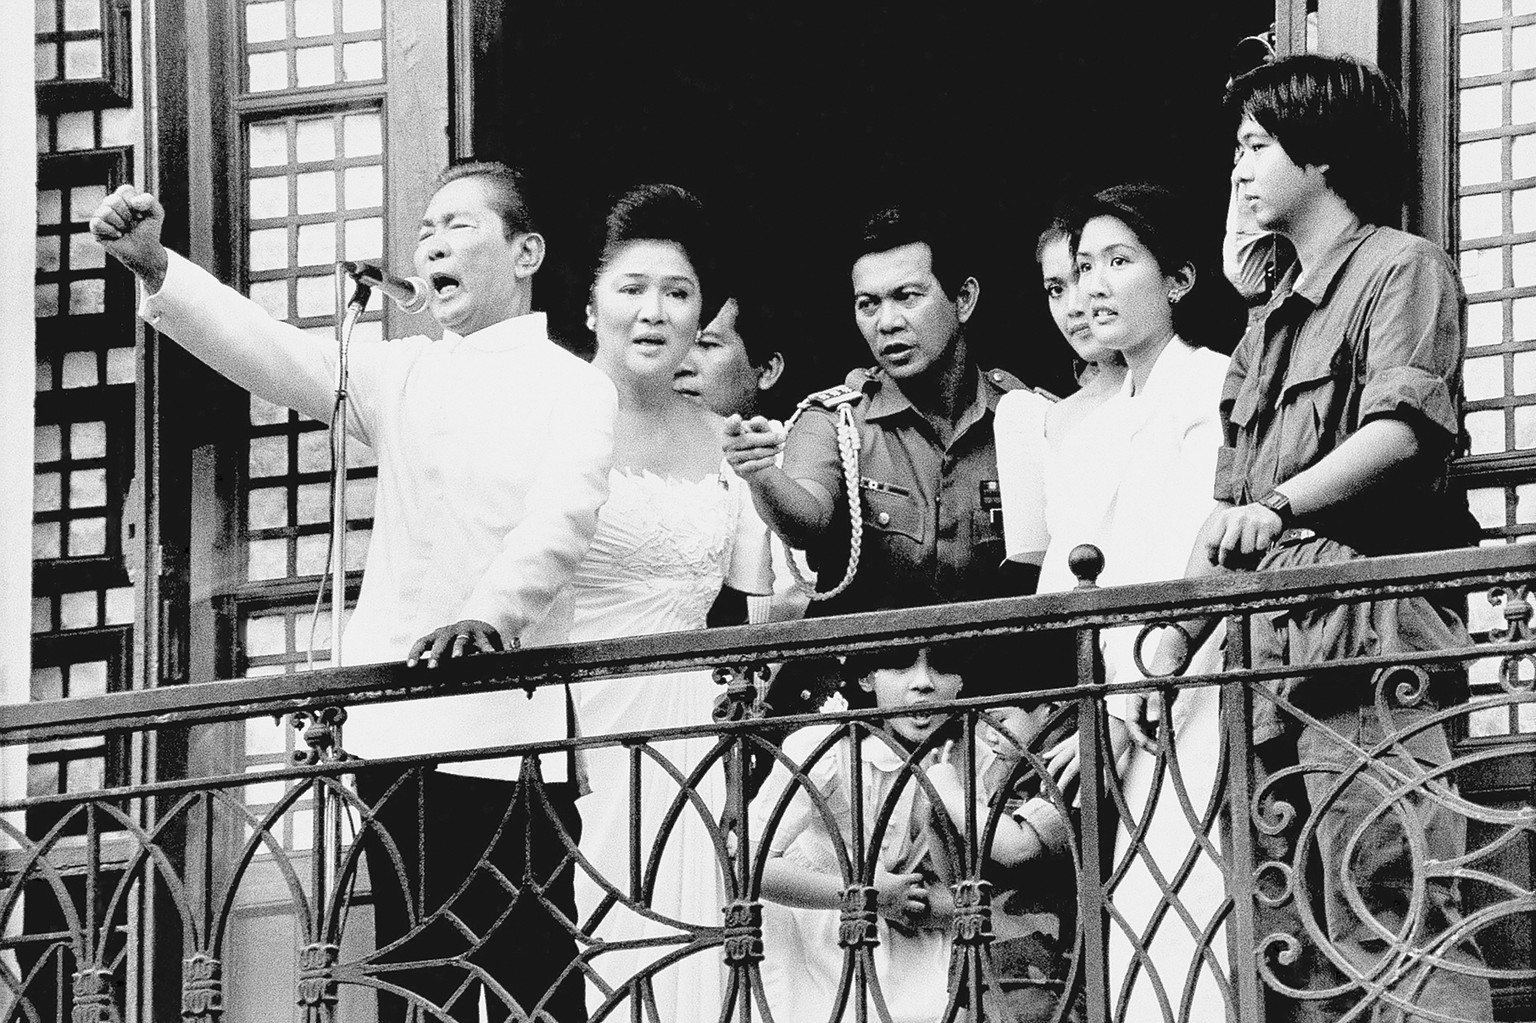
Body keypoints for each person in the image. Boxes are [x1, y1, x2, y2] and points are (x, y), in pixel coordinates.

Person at [88, 162, 615, 1021]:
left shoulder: (576, 385)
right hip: (400, 733)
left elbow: (564, 517)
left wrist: (490, 612)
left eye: (459, 225)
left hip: (515, 734)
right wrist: (158, 267)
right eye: (425, 231)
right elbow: (275, 353)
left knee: (534, 984)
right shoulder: (402, 373)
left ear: (527, 252)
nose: (433, 242)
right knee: (419, 980)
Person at [1178, 54, 1492, 1022]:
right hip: (1270, 667)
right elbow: (1224, 511)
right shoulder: (1267, 321)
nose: (1238, 171)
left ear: (1322, 156)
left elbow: (1402, 433)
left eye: (1257, 147)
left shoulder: (1402, 268)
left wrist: (1279, 507)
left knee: (1396, 907)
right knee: (1300, 949)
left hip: (1373, 647)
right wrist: (1167, 646)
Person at [564, 183, 773, 1023]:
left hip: (694, 736)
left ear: (701, 316)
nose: (653, 312)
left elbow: (766, 602)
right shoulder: (552, 418)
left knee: (697, 964)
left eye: (677, 293)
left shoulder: (719, 435)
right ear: (589, 307)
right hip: (575, 731)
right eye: (632, 288)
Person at [1025, 185, 1234, 1020]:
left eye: (1119, 261)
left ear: (1177, 279)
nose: (1094, 286)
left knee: (1196, 906)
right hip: (1125, 698)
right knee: (1143, 915)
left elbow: (1202, 549)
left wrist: (1142, 687)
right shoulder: (1099, 417)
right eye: (1082, 268)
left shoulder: (1209, 380)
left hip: (1196, 680)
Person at [722, 202, 1025, 629]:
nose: (887, 322)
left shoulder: (1025, 418)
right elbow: (807, 520)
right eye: (868, 304)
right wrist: (763, 475)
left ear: (964, 299)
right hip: (871, 684)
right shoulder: (834, 421)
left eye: (906, 297)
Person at [752, 646, 962, 1023]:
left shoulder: (973, 755)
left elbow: (989, 891)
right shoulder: (827, 751)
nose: (923, 683)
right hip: (824, 938)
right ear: (866, 679)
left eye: (943, 667)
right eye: (899, 666)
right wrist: (865, 896)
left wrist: (924, 904)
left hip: (923, 939)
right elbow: (750, 868)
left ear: (962, 681)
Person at [925, 696, 1086, 1021]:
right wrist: (940, 814)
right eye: (982, 722)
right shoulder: (1007, 777)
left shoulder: (1067, 770)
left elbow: (1020, 848)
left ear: (1050, 712)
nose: (989, 734)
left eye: (1000, 719)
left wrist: (954, 796)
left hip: (1043, 976)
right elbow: (958, 880)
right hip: (985, 970)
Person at [994, 205, 1129, 587]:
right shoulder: (1037, 417)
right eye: (1056, 289)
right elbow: (1037, 564)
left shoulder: (1190, 378)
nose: (1073, 307)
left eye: (1083, 275)